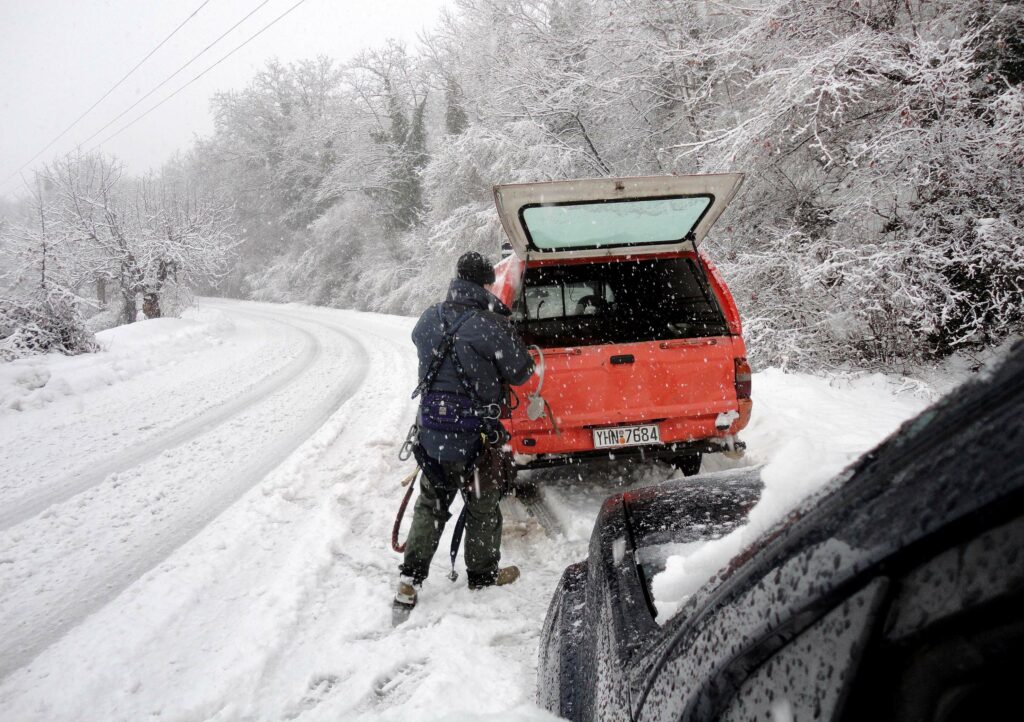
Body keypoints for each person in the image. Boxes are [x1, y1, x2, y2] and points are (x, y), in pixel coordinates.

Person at [395, 251, 535, 613]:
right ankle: (483, 574)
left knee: (431, 503)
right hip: (476, 437)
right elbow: (521, 372)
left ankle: (409, 580)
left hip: (432, 434)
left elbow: (418, 338)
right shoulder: (490, 325)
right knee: (482, 506)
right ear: (486, 283)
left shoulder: (429, 318)